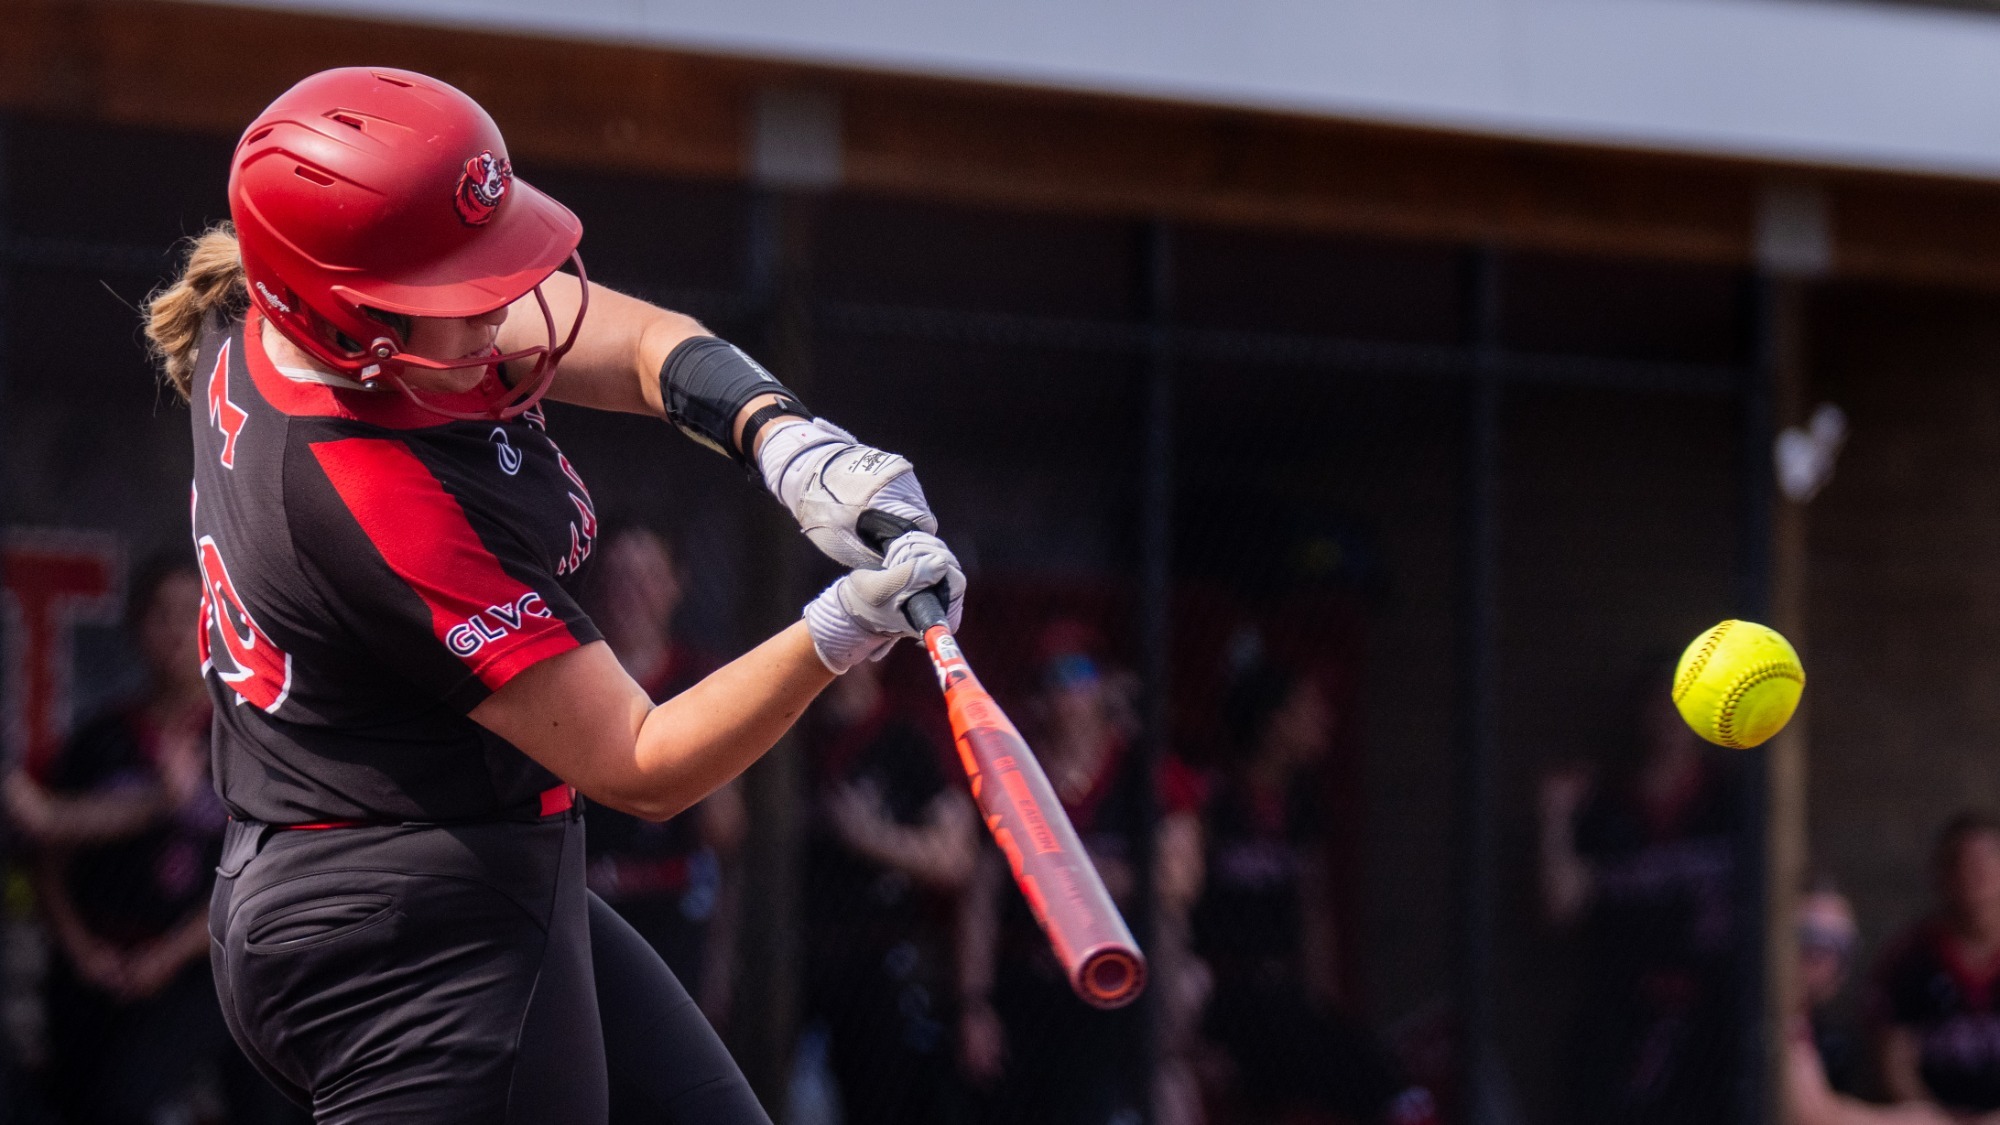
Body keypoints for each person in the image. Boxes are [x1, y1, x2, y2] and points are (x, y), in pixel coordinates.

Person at [143, 67, 964, 1124]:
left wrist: (783, 438)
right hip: (411, 944)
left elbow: (642, 345)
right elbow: (642, 762)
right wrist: (841, 626)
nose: (499, 311)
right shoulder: (368, 497)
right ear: (352, 323)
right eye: (457, 294)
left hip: (439, 876)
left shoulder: (280, 311)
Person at [4, 558, 306, 1124]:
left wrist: (167, 955)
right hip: (94, 966)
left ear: (215, 626)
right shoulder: (101, 738)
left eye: (189, 614)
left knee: (158, 1095)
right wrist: (82, 951)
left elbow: (261, 870)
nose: (173, 632)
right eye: (158, 615)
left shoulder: (242, 740)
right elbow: (49, 856)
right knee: (77, 1102)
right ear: (135, 626)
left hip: (200, 966)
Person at [957, 627, 1204, 1125]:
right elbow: (980, 900)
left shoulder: (1146, 772)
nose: (1069, 691)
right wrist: (974, 1006)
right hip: (1032, 977)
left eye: (1081, 673)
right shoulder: (1010, 773)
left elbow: (1181, 880)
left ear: (1107, 684)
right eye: (1054, 677)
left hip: (1122, 981)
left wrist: (1074, 879)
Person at [1192, 653, 1436, 1125]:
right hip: (1220, 997)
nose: (1324, 720)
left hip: (1285, 994)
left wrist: (1320, 1001)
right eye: (1309, 708)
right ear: (1274, 722)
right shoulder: (1211, 799)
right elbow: (1178, 911)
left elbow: (1313, 909)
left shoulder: (1303, 804)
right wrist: (1193, 1036)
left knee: (1379, 1076)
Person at [1538, 666, 1743, 1125]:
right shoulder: (1605, 805)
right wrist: (1555, 817)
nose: (1670, 719)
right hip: (1622, 1011)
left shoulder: (1733, 800)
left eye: (1683, 705)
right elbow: (1560, 908)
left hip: (1713, 1014)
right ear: (1641, 713)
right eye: (1660, 704)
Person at [802, 648, 978, 1124]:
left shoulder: (909, 733)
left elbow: (956, 859)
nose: (846, 657)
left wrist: (869, 837)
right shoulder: (792, 729)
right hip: (797, 955)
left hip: (884, 958)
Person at [583, 527, 746, 1021]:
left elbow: (725, 831)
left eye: (648, 578)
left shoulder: (700, 681)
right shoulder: (575, 679)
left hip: (671, 915)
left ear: (676, 585)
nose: (632, 594)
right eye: (619, 578)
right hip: (584, 911)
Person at [1789, 882, 1954, 1125]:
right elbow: (1815, 1117)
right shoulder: (1777, 1017)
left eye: (1842, 946)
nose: (1827, 960)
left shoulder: (1804, 1018)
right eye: (1814, 941)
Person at [1870, 813, 2000, 1118]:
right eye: (1959, 864)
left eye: (1984, 863)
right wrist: (1939, 1120)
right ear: (1941, 874)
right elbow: (1893, 1064)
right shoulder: (1909, 957)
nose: (1973, 876)